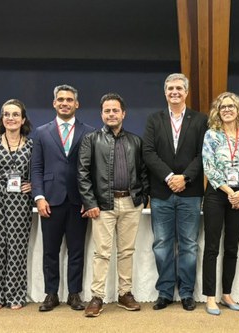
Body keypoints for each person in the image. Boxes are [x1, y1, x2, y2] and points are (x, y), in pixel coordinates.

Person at [78, 93, 148, 317]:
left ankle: (124, 294)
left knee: (127, 251)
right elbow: (83, 173)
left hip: (131, 203)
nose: (111, 114)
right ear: (101, 114)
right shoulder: (91, 139)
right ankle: (97, 296)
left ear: (123, 113)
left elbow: (143, 173)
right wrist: (90, 202)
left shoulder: (135, 141)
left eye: (115, 110)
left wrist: (143, 198)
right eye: (107, 111)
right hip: (102, 205)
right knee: (102, 253)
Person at [142, 73, 208, 311]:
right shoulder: (154, 119)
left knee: (189, 244)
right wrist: (170, 177)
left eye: (179, 88)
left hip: (190, 193)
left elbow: (203, 154)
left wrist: (185, 178)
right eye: (170, 88)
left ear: (186, 92)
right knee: (162, 243)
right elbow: (148, 152)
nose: (174, 92)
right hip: (162, 192)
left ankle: (188, 293)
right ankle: (165, 292)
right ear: (165, 92)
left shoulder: (201, 120)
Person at [31, 85, 96, 312]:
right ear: (54, 103)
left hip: (79, 201)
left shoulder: (89, 131)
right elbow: (36, 168)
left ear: (76, 104)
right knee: (50, 250)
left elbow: (93, 170)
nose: (65, 103)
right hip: (50, 200)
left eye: (69, 100)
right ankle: (51, 294)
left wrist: (90, 200)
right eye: (61, 99)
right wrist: (38, 197)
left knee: (77, 250)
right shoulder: (41, 132)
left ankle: (74, 294)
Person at [0, 99, 34, 310]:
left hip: (19, 199)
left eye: (15, 115)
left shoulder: (31, 144)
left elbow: (36, 171)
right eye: (6, 114)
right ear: (2, 118)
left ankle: (15, 294)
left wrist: (33, 185)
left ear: (23, 119)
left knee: (17, 248)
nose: (10, 118)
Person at [201, 92, 239, 315]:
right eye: (223, 107)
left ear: (238, 110)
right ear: (217, 112)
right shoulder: (211, 135)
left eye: (231, 106)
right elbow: (209, 167)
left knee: (232, 247)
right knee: (212, 247)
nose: (227, 110)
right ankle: (210, 297)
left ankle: (226, 294)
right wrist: (230, 191)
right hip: (216, 194)